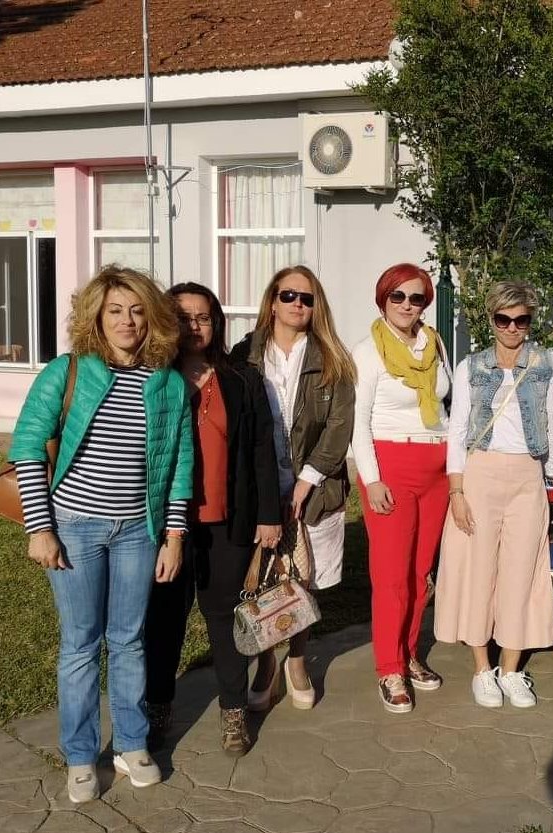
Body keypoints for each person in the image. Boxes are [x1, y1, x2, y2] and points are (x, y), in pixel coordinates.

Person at [8, 265, 193, 803]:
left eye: (137, 310)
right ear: (96, 316)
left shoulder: (168, 383)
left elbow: (179, 465)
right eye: (114, 310)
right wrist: (40, 528)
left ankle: (132, 744)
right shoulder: (67, 371)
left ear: (152, 318)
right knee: (80, 645)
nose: (126, 320)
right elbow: (27, 446)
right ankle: (81, 755)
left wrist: (174, 536)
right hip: (74, 528)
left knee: (129, 640)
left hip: (139, 530)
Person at [143, 282, 283, 757]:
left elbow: (262, 448)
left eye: (203, 318)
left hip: (227, 521)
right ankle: (158, 708)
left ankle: (233, 711)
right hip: (165, 524)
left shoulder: (241, 378)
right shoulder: (152, 378)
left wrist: (269, 515)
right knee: (164, 621)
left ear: (216, 323)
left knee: (225, 619)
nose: (194, 326)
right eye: (183, 318)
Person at [434, 281, 553, 709]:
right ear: (491, 319)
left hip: (527, 476)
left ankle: (511, 670)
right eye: (504, 319)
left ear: (531, 321)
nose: (512, 328)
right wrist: (456, 490)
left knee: (522, 571)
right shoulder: (470, 366)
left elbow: (551, 419)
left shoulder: (549, 362)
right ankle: (482, 669)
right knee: (478, 571)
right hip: (481, 474)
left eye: (521, 320)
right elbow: (457, 430)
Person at [231, 265, 356, 711]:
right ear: (272, 301)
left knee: (305, 580)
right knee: (264, 579)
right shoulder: (244, 354)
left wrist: (307, 480)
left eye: (307, 298)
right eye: (289, 295)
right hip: (261, 491)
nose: (298, 304)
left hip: (316, 490)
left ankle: (298, 659)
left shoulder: (332, 356)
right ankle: (267, 661)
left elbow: (339, 426)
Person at [352, 263, 452, 713]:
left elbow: (445, 407)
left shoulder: (434, 344)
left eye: (417, 298)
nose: (408, 305)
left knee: (420, 572)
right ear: (383, 299)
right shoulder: (368, 352)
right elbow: (359, 423)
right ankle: (388, 667)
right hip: (391, 466)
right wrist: (372, 479)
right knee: (391, 575)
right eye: (399, 296)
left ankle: (409, 653)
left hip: (436, 469)